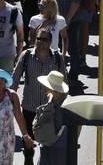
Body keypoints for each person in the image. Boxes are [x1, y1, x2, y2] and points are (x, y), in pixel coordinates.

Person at [11, 27, 66, 165]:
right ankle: (28, 159)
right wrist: (10, 100)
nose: (41, 42)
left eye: (45, 39)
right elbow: (15, 78)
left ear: (51, 41)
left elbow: (63, 82)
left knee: (47, 141)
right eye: (39, 39)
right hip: (30, 106)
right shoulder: (26, 56)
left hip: (49, 109)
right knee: (28, 141)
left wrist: (62, 106)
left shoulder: (57, 58)